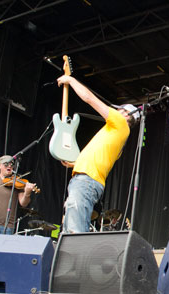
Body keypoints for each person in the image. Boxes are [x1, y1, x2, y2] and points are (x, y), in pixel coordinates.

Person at [57, 75, 139, 233]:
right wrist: (76, 163)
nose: (115, 111)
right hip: (86, 180)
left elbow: (88, 98)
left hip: (86, 181)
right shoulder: (116, 134)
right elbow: (99, 159)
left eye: (119, 110)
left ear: (127, 115)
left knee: (74, 233)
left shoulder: (120, 123)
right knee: (69, 233)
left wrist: (71, 80)